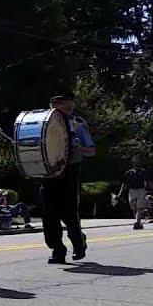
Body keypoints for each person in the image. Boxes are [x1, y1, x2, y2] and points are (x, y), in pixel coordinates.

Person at [39, 93, 95, 264]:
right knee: (49, 215)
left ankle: (78, 243)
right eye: (54, 102)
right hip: (49, 173)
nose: (56, 105)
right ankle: (57, 250)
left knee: (69, 212)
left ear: (70, 105)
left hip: (69, 172)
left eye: (60, 102)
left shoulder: (78, 124)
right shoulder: (44, 124)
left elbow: (91, 151)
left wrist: (78, 149)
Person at [117, 159, 153, 230]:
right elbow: (124, 184)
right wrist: (120, 193)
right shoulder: (128, 173)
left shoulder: (143, 172)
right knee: (133, 207)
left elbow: (148, 181)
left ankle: (137, 222)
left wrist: (152, 189)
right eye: (135, 163)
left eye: (137, 163)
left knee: (139, 207)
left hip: (141, 190)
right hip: (132, 191)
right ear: (132, 164)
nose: (136, 164)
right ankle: (138, 222)